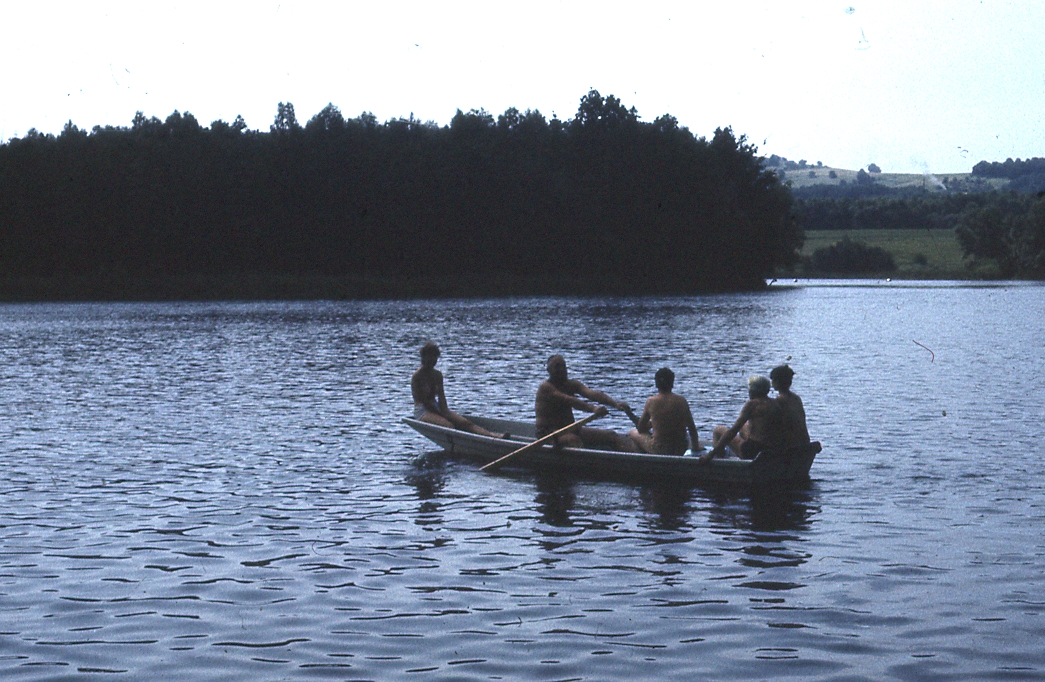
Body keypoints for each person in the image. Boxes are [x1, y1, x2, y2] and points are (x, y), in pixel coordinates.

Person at [535, 354, 636, 451]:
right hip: (549, 434)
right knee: (573, 440)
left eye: (563, 366)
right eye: (557, 367)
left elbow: (592, 394)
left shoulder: (571, 384)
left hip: (571, 430)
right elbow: (569, 400)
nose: (561, 369)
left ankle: (633, 460)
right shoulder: (546, 387)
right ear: (549, 370)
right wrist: (593, 408)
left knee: (611, 435)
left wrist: (615, 404)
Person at [411, 341, 507, 438]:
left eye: (435, 357)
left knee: (466, 423)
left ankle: (493, 435)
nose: (432, 360)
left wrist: (445, 412)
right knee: (448, 425)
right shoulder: (417, 376)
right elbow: (425, 402)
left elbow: (442, 398)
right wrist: (442, 415)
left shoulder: (437, 375)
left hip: (437, 407)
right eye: (430, 357)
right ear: (423, 358)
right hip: (423, 410)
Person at [701, 375, 782, 463]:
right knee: (744, 426)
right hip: (771, 449)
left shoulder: (752, 404)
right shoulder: (775, 404)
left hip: (753, 451)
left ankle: (718, 458)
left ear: (752, 391)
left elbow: (733, 431)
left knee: (718, 430)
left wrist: (710, 455)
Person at [628, 367, 700, 456]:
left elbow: (641, 428)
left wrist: (629, 413)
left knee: (632, 433)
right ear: (672, 384)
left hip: (660, 448)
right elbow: (692, 428)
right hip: (681, 448)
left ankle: (641, 463)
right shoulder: (682, 401)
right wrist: (695, 447)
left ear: (656, 384)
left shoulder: (651, 401)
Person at [771, 364, 809, 449]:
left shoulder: (779, 401)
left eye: (773, 380)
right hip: (802, 442)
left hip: (788, 446)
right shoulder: (796, 399)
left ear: (776, 381)